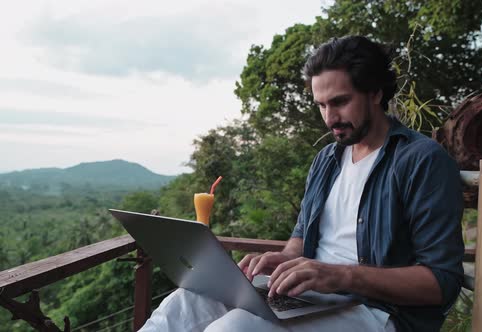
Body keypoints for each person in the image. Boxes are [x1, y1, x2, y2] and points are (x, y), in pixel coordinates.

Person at [140, 35, 464, 332]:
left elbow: (441, 282)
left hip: (377, 311)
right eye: (321, 105)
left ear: (376, 92)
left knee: (232, 330)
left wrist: (339, 274)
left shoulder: (422, 160)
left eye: (339, 101)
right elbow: (299, 239)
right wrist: (282, 259)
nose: (329, 117)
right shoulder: (327, 159)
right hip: (309, 296)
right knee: (182, 303)